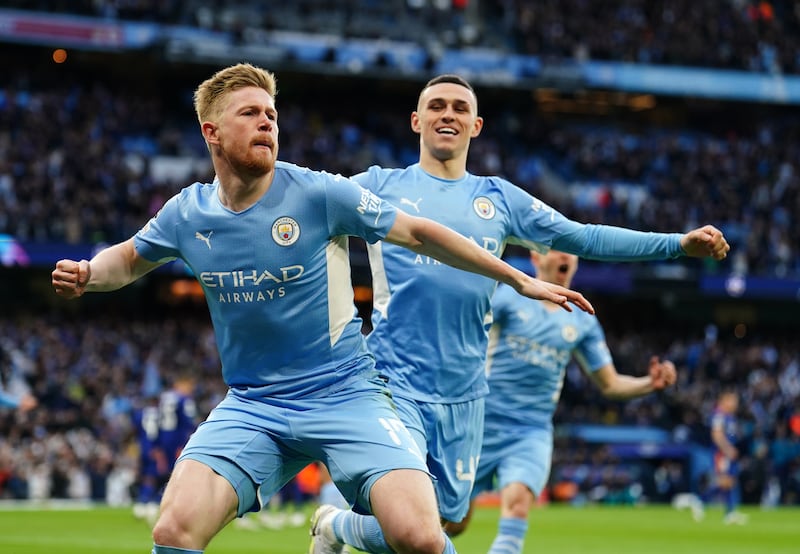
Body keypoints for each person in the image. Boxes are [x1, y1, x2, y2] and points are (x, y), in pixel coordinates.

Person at [51, 62, 592, 554]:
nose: (267, 123)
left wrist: (518, 278)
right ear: (211, 133)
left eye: (271, 114)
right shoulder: (185, 214)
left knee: (422, 537)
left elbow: (421, 232)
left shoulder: (318, 193)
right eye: (250, 114)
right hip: (254, 402)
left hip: (345, 392)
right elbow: (127, 260)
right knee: (174, 529)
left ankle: (334, 527)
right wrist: (89, 274)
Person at [310, 74, 729, 554]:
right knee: (419, 533)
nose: (448, 114)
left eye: (460, 108)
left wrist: (676, 245)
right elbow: (308, 203)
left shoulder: (500, 200)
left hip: (466, 396)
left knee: (443, 521)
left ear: (477, 125)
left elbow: (584, 236)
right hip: (392, 381)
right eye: (438, 106)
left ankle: (334, 527)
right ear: (416, 120)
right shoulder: (379, 186)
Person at [442, 249, 677, 553]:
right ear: (536, 258)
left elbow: (610, 383)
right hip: (479, 423)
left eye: (572, 252)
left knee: (517, 506)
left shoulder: (581, 320)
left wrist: (650, 383)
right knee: (454, 522)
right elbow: (462, 335)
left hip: (531, 430)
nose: (567, 256)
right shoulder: (508, 297)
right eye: (557, 250)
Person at [132, 373, 199, 523]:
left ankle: (149, 504)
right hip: (177, 440)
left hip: (161, 439)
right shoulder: (184, 399)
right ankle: (158, 504)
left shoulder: (164, 398)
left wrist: (156, 444)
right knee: (173, 474)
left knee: (158, 474)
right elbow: (189, 422)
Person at [709, 390, 749, 525]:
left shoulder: (729, 416)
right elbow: (717, 435)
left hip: (728, 453)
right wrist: (727, 449)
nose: (735, 404)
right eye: (732, 401)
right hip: (722, 454)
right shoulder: (719, 416)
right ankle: (699, 501)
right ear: (724, 401)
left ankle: (730, 512)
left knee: (729, 482)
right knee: (725, 482)